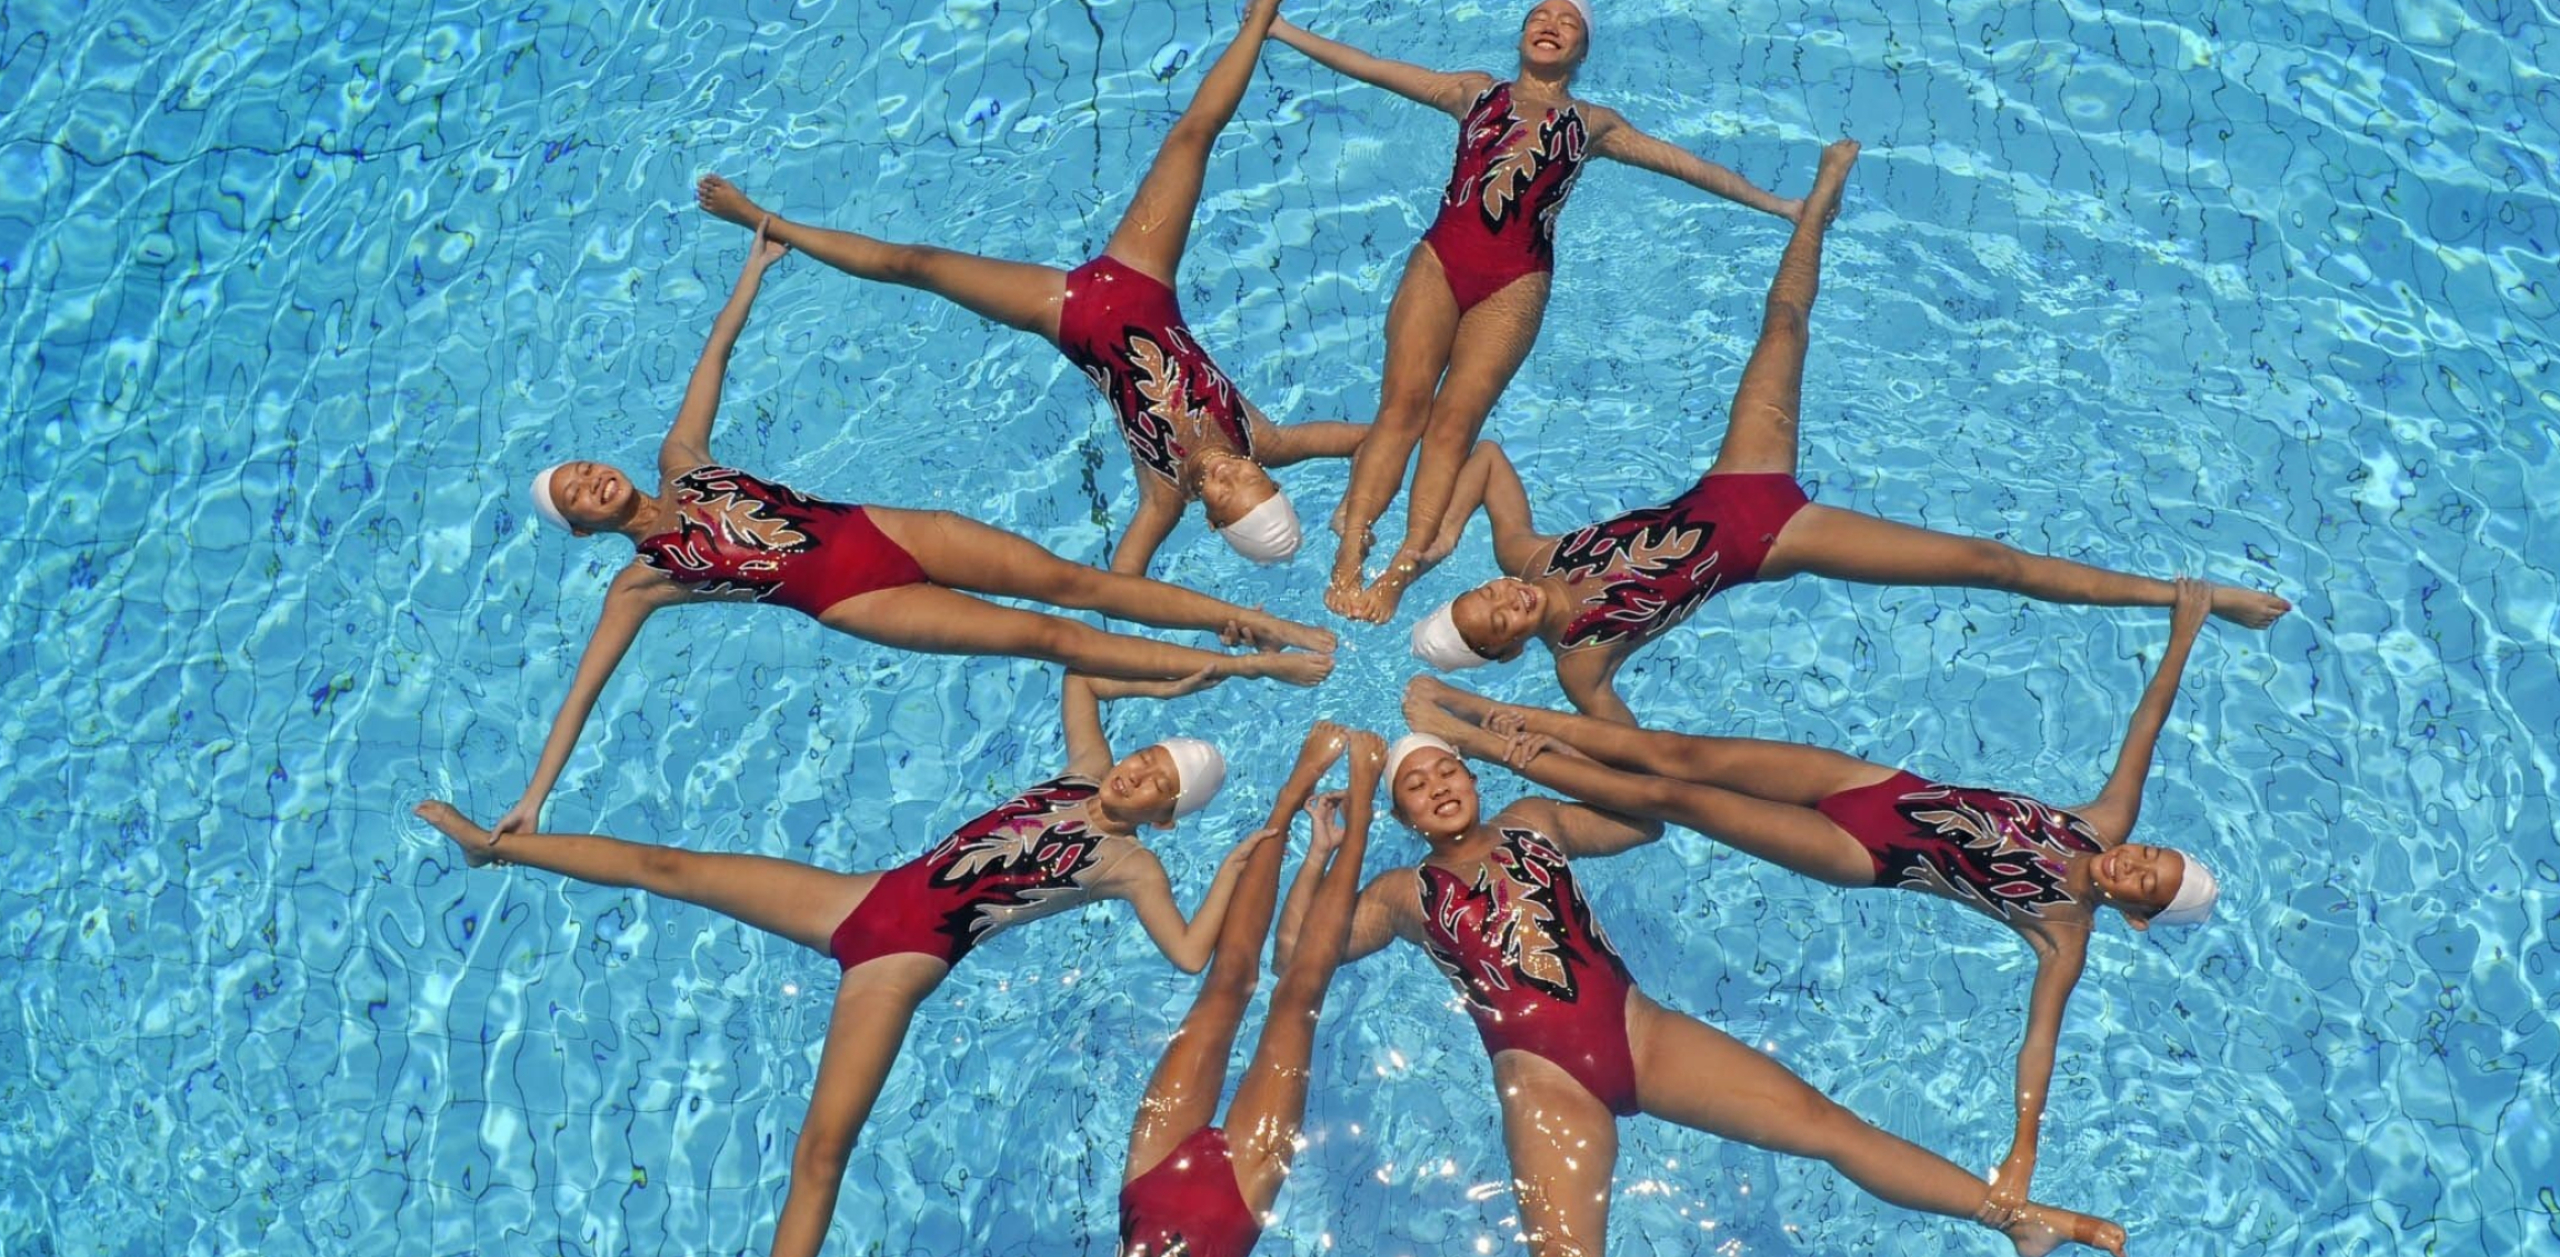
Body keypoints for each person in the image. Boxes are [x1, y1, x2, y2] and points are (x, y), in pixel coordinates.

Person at [1284, 729, 2124, 1257]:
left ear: (1471, 774)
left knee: (1823, 1122)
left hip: (1640, 1032)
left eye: (1446, 768)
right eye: (1416, 786)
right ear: (1404, 816)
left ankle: (2015, 1218)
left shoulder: (1534, 820)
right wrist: (1325, 851)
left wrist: (1549, 759)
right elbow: (1298, 960)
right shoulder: (1398, 895)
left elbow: (1640, 825)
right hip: (1542, 1084)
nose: (1438, 785)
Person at [757, 723, 1558, 1257]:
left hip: (1153, 1174)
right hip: (1239, 1199)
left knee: (1226, 986)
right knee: (1298, 998)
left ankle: (1290, 803)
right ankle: (1358, 811)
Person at [417, 671, 1279, 1257]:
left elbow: (1190, 954)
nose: (1138, 773)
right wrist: (1164, 689)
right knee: (668, 866)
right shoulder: (1085, 769)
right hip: (857, 899)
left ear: (1165, 816)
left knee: (820, 1152)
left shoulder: (1132, 866)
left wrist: (1237, 867)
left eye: (1159, 784)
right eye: (1147, 758)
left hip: (899, 966)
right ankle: (496, 847)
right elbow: (1081, 673)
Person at [1406, 575, 2221, 1221]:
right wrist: (2182, 636)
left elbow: (2038, 1044)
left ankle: (1482, 741)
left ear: (2138, 915)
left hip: (1864, 850)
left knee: (1681, 800)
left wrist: (2022, 1152)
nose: (2132, 864)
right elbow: (2143, 730)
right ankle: (1481, 708)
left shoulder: (2060, 929)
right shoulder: (2100, 822)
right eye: (2150, 854)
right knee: (1677, 754)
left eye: (2143, 883)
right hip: (1874, 785)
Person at [1403, 140, 2289, 722]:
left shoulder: (1529, 554)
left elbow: (1483, 457)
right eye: (1494, 625)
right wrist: (1500, 731)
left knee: (1784, 326)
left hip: (1734, 481)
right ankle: (2186, 595)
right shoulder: (1580, 666)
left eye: (1483, 596)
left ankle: (1816, 203)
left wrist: (1431, 545)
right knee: (1989, 565)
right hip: (1780, 539)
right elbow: (1634, 760)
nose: (1504, 602)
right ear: (1508, 649)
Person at [507, 219, 1334, 841]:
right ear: (584, 529)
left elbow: (712, 361)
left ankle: (1269, 626)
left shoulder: (680, 460)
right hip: (853, 599)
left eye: (582, 468)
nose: (590, 481)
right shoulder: (643, 579)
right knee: (1048, 637)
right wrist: (534, 798)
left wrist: (752, 270)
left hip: (891, 529)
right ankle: (1256, 663)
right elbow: (585, 692)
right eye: (575, 495)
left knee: (1077, 585)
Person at [698, 0, 1365, 576]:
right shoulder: (1264, 439)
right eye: (1248, 480)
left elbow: (1125, 580)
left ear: (1213, 524)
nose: (1226, 473)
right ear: (1268, 476)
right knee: (1191, 137)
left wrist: (1218, 628)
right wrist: (1357, 517)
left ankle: (766, 222)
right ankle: (1260, 22)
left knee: (916, 264)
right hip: (1144, 280)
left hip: (1068, 315)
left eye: (1223, 495)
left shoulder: (1164, 497)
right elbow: (1382, 434)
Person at [1267, 0, 1802, 622]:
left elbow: (1689, 166)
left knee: (1452, 426)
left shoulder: (1594, 124)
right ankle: (1352, 549)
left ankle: (1403, 567)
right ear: (1521, 36)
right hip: (1440, 261)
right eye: (1538, 16)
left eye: (1567, 22)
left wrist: (1779, 205)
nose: (1550, 24)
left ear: (1582, 51)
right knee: (1402, 407)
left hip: (1515, 283)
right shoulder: (1473, 92)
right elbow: (1372, 66)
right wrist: (1279, 28)